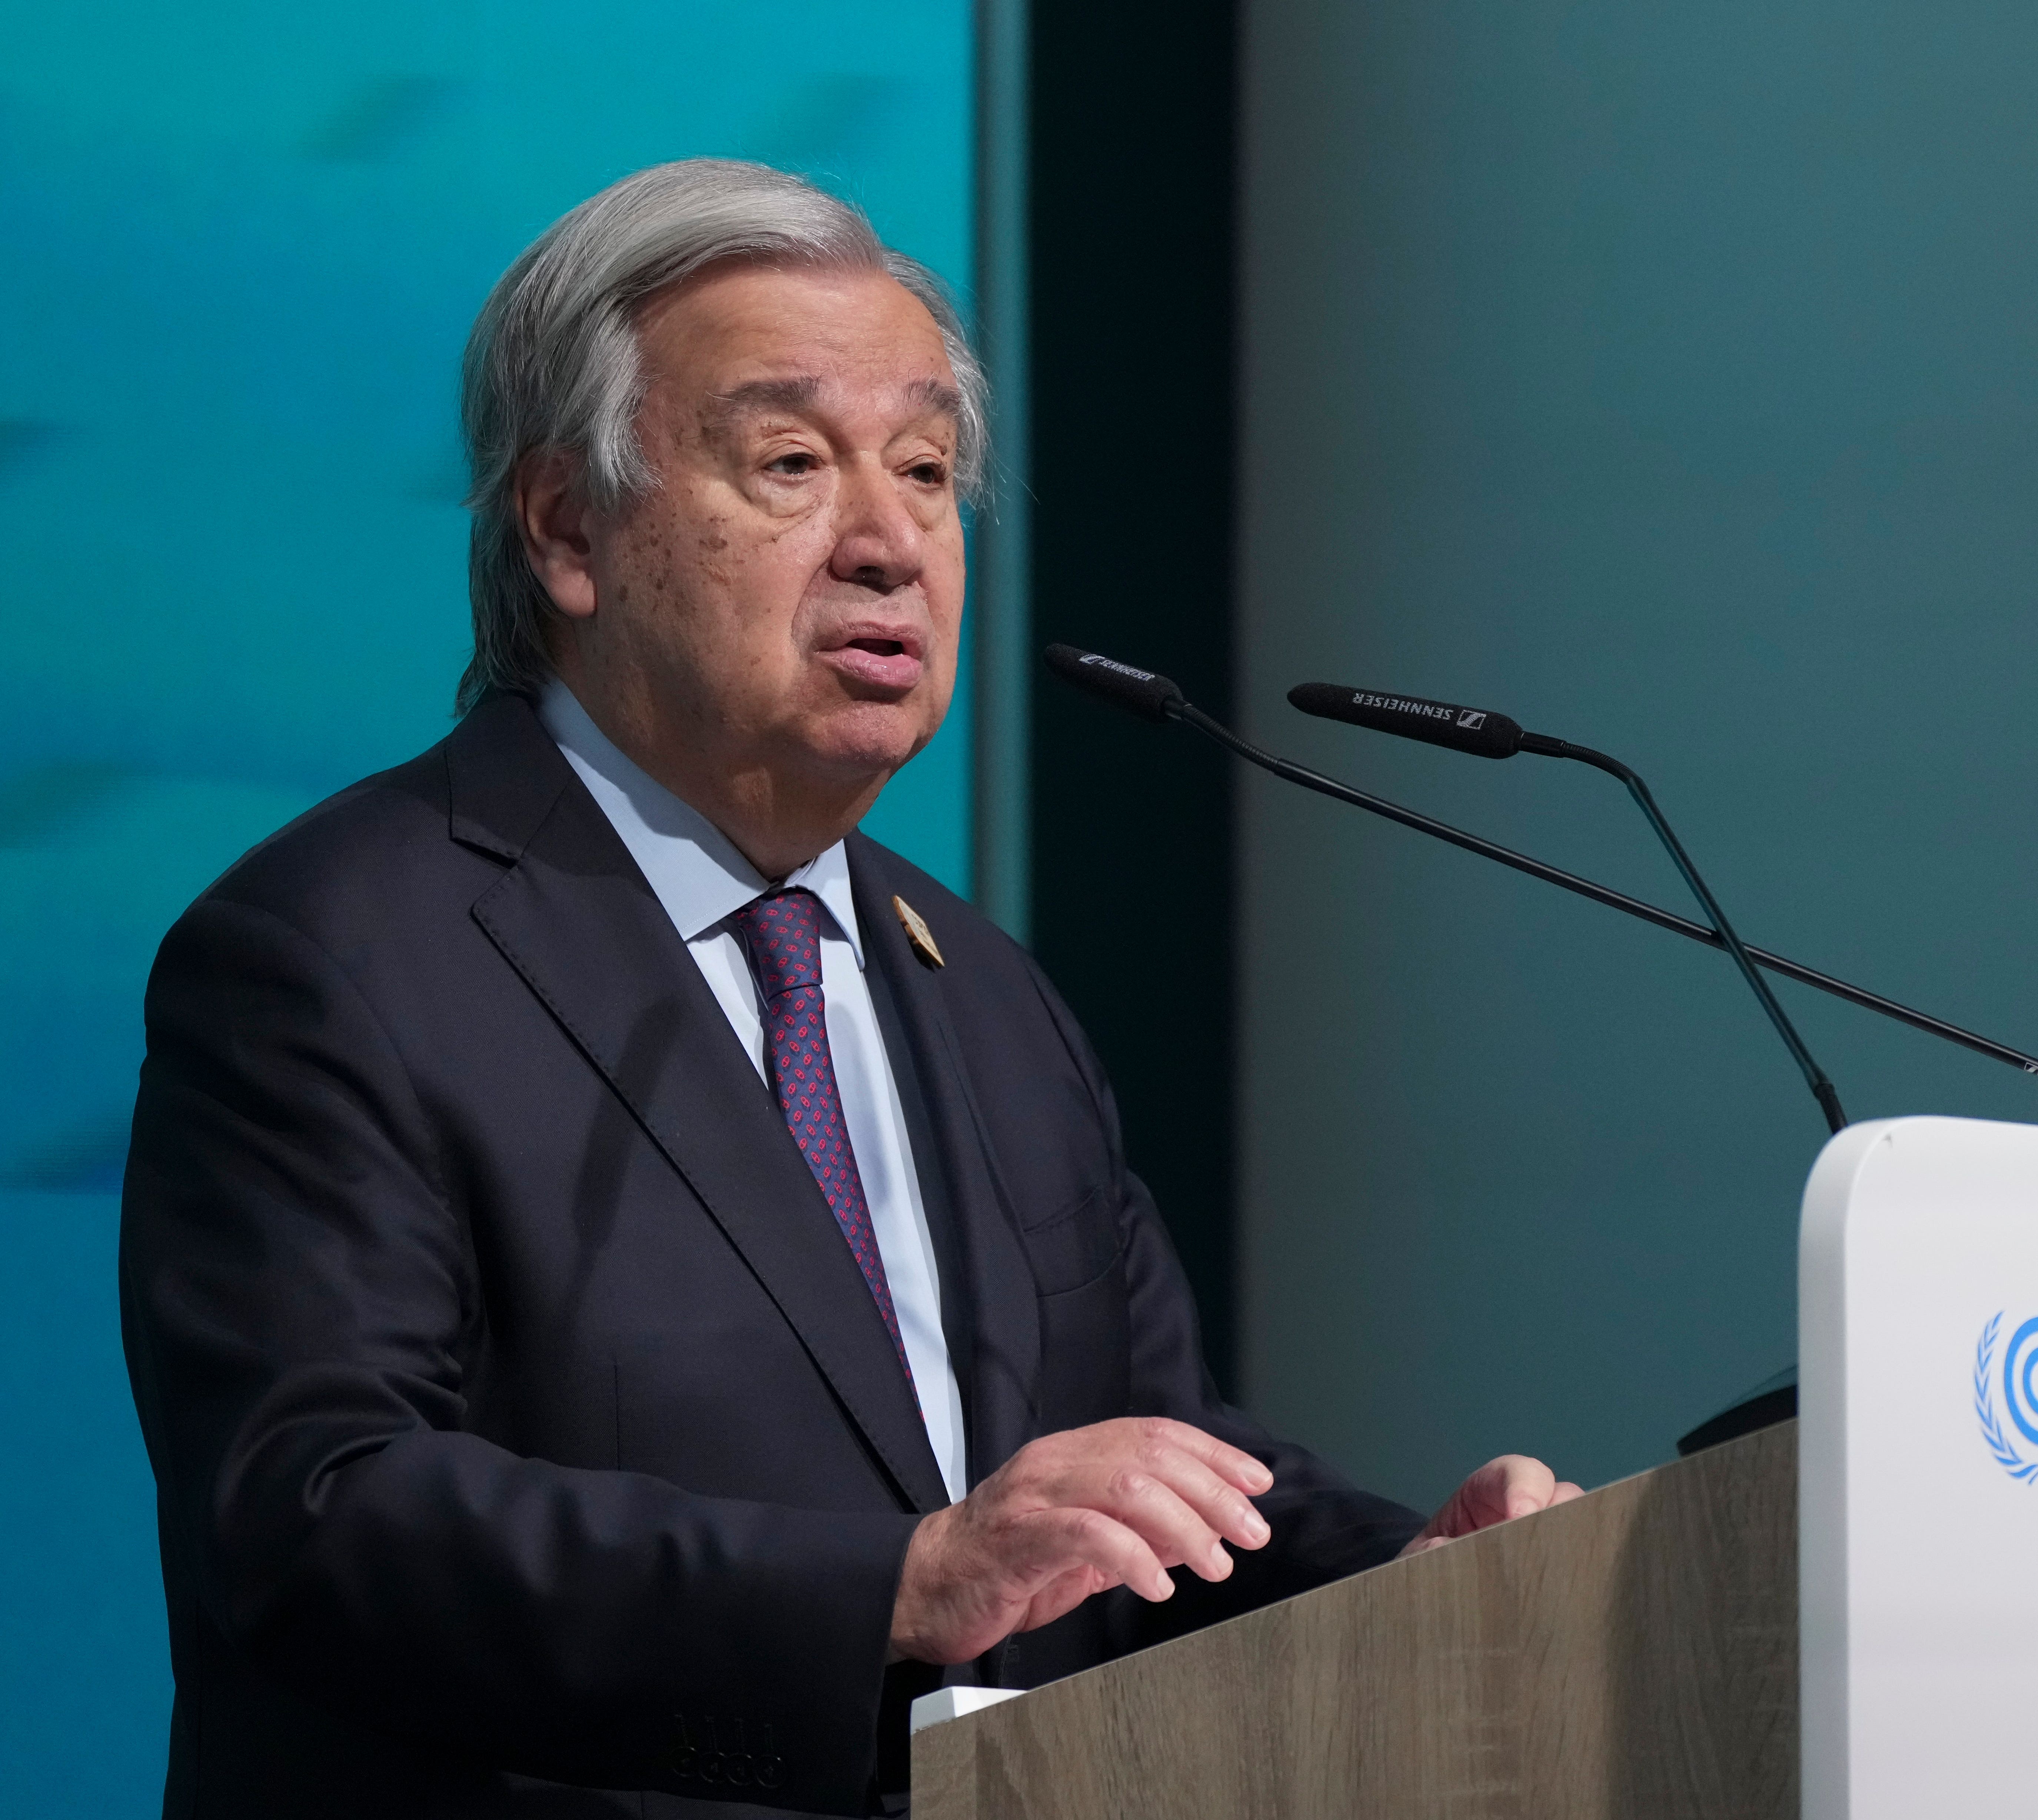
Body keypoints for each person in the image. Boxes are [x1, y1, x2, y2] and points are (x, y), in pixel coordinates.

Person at [118, 159, 1578, 1819]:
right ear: (567, 528)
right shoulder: (336, 952)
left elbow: (1146, 1465)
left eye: (930, 469)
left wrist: (1413, 1575)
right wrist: (897, 1583)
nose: (891, 542)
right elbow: (320, 1518)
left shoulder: (984, 993)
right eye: (793, 463)